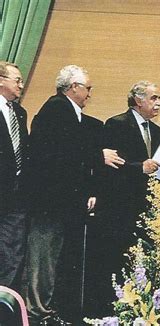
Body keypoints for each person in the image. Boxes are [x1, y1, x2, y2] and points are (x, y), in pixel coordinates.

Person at [26, 65, 104, 325]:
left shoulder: (64, 110)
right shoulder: (58, 108)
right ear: (73, 87)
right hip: (50, 201)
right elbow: (64, 152)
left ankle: (44, 309)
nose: (89, 94)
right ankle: (39, 312)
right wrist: (98, 155)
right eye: (87, 88)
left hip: (56, 201)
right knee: (44, 257)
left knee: (49, 257)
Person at [88, 81, 160, 316]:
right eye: (154, 98)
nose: (158, 103)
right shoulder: (116, 124)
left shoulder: (156, 130)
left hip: (145, 205)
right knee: (114, 259)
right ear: (138, 100)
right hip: (118, 205)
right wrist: (139, 168)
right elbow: (109, 165)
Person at [0, 61, 28, 293]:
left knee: (13, 251)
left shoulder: (19, 112)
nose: (21, 84)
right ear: (1, 81)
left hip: (15, 195)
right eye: (17, 80)